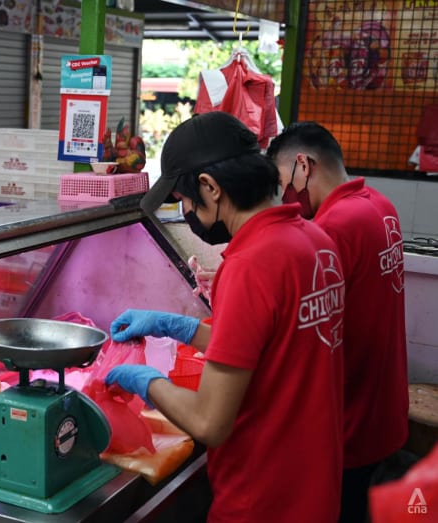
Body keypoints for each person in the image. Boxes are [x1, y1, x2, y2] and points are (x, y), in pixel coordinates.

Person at [106, 111, 346, 523]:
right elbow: (271, 346)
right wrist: (178, 327)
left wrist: (147, 381)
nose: (186, 210)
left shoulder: (250, 264)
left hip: (263, 499)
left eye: (184, 199)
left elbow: (208, 423)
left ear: (210, 187)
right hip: (316, 486)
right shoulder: (316, 240)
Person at [266, 121, 409, 523]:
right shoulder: (380, 205)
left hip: (350, 420)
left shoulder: (333, 227)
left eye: (283, 182)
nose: (284, 195)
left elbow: (298, 323)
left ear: (303, 165)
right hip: (384, 411)